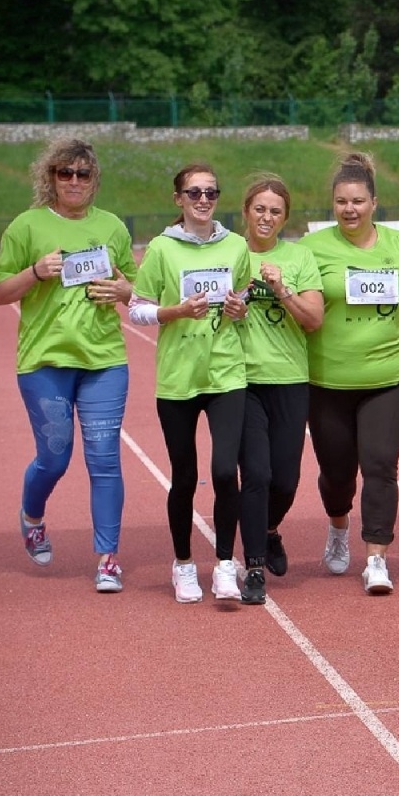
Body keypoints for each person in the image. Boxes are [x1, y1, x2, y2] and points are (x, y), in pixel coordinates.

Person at [0, 139, 136, 592]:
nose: (73, 181)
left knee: (104, 459)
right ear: (50, 177)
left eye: (82, 174)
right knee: (54, 458)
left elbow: (135, 289)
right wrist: (35, 272)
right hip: (45, 362)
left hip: (104, 361)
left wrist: (123, 291)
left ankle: (108, 558)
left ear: (94, 180)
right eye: (64, 173)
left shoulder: (111, 226)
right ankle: (32, 516)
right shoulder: (27, 225)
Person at [301, 152, 399, 594]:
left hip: (390, 377)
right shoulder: (312, 249)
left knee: (380, 465)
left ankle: (377, 558)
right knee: (337, 474)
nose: (350, 209)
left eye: (358, 201)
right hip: (328, 381)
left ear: (374, 203)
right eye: (341, 202)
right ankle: (338, 526)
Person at [129, 164, 254, 603]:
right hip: (178, 376)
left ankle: (224, 564)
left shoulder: (236, 245)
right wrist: (175, 312)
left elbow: (243, 297)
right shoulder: (161, 249)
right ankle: (183, 564)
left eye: (211, 193)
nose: (203, 200)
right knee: (184, 476)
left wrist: (240, 308)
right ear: (178, 199)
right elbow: (137, 309)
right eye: (194, 193)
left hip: (226, 372)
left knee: (224, 471)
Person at [234, 175, 323, 605]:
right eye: (259, 209)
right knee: (257, 475)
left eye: (275, 211)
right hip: (241, 380)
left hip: (289, 378)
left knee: (286, 479)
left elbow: (314, 320)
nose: (266, 217)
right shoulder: (229, 253)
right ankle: (253, 567)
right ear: (246, 211)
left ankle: (269, 530)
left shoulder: (299, 257)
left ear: (285, 217)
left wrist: (281, 289)